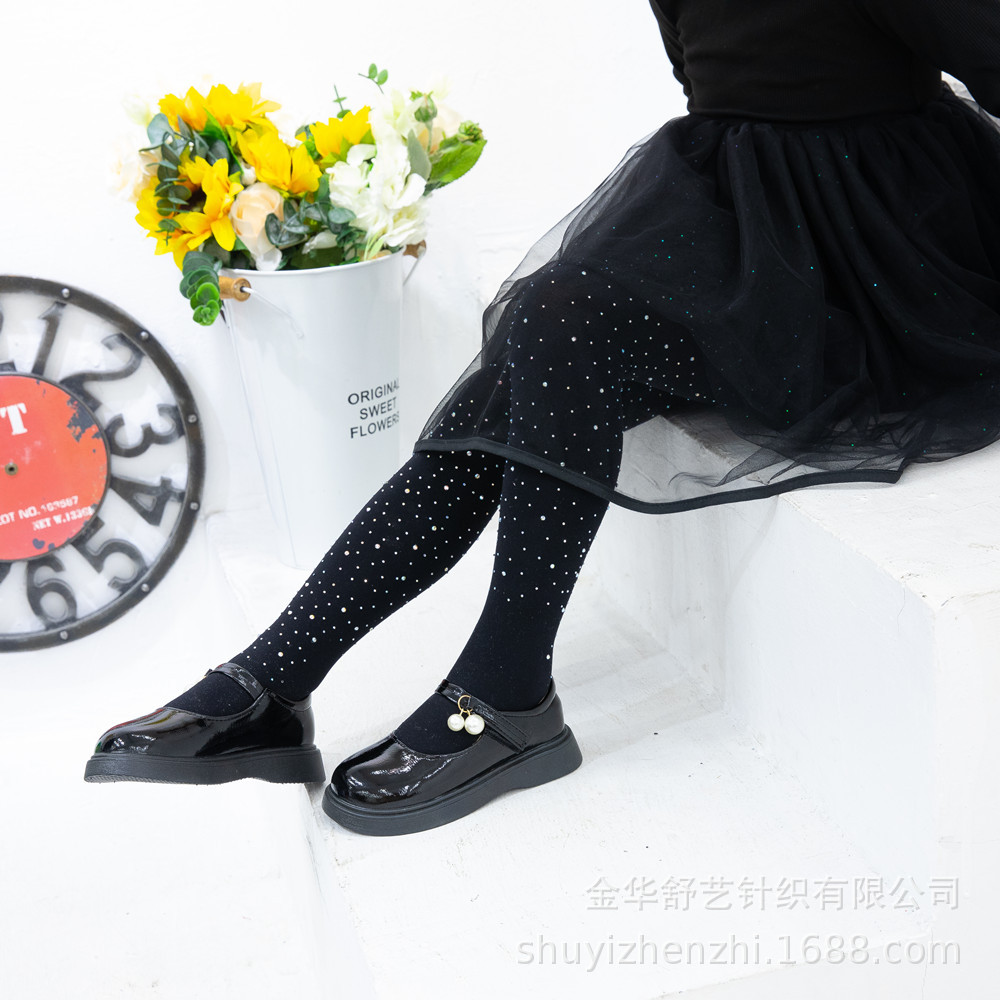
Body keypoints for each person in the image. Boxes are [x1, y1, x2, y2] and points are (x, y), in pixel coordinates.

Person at [85, 0, 1000, 836]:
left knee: (561, 320)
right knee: (544, 337)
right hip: (749, 219)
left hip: (878, 261)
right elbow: (707, 77)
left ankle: (479, 688)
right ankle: (284, 680)